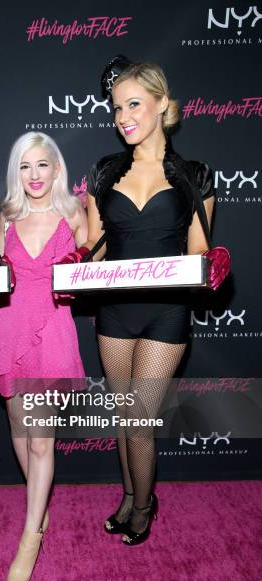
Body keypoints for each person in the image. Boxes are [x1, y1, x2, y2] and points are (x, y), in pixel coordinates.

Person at [65, 56, 229, 546]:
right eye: (117, 108)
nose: (123, 116)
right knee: (123, 417)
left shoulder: (194, 174)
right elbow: (95, 246)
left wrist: (213, 262)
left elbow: (199, 249)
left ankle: (142, 506)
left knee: (139, 417)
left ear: (162, 104)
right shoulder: (102, 172)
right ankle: (129, 495)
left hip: (167, 312)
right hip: (114, 312)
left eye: (134, 103)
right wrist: (77, 262)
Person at [0, 132, 87, 581]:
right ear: (15, 173)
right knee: (20, 436)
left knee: (42, 441)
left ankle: (30, 536)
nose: (34, 175)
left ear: (57, 169)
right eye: (25, 166)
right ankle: (40, 510)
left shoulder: (74, 213)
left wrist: (78, 264)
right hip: (9, 329)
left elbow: (94, 268)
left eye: (42, 165)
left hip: (54, 331)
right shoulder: (4, 217)